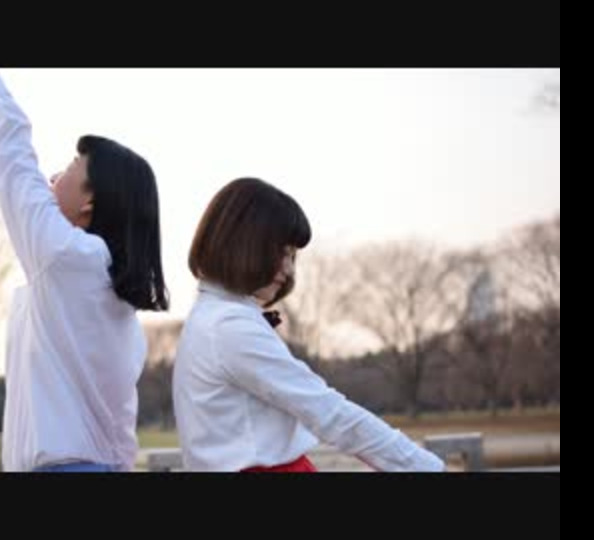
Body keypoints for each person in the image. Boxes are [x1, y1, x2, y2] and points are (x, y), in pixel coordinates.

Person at [172, 177, 445, 472]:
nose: (289, 269)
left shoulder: (211, 316)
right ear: (242, 243)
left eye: (293, 256)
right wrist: (426, 467)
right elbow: (330, 413)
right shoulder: (228, 326)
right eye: (281, 252)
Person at [0, 68, 169, 472]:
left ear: (89, 203)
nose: (52, 176)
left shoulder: (70, 257)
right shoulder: (108, 290)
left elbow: (15, 166)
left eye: (70, 166)